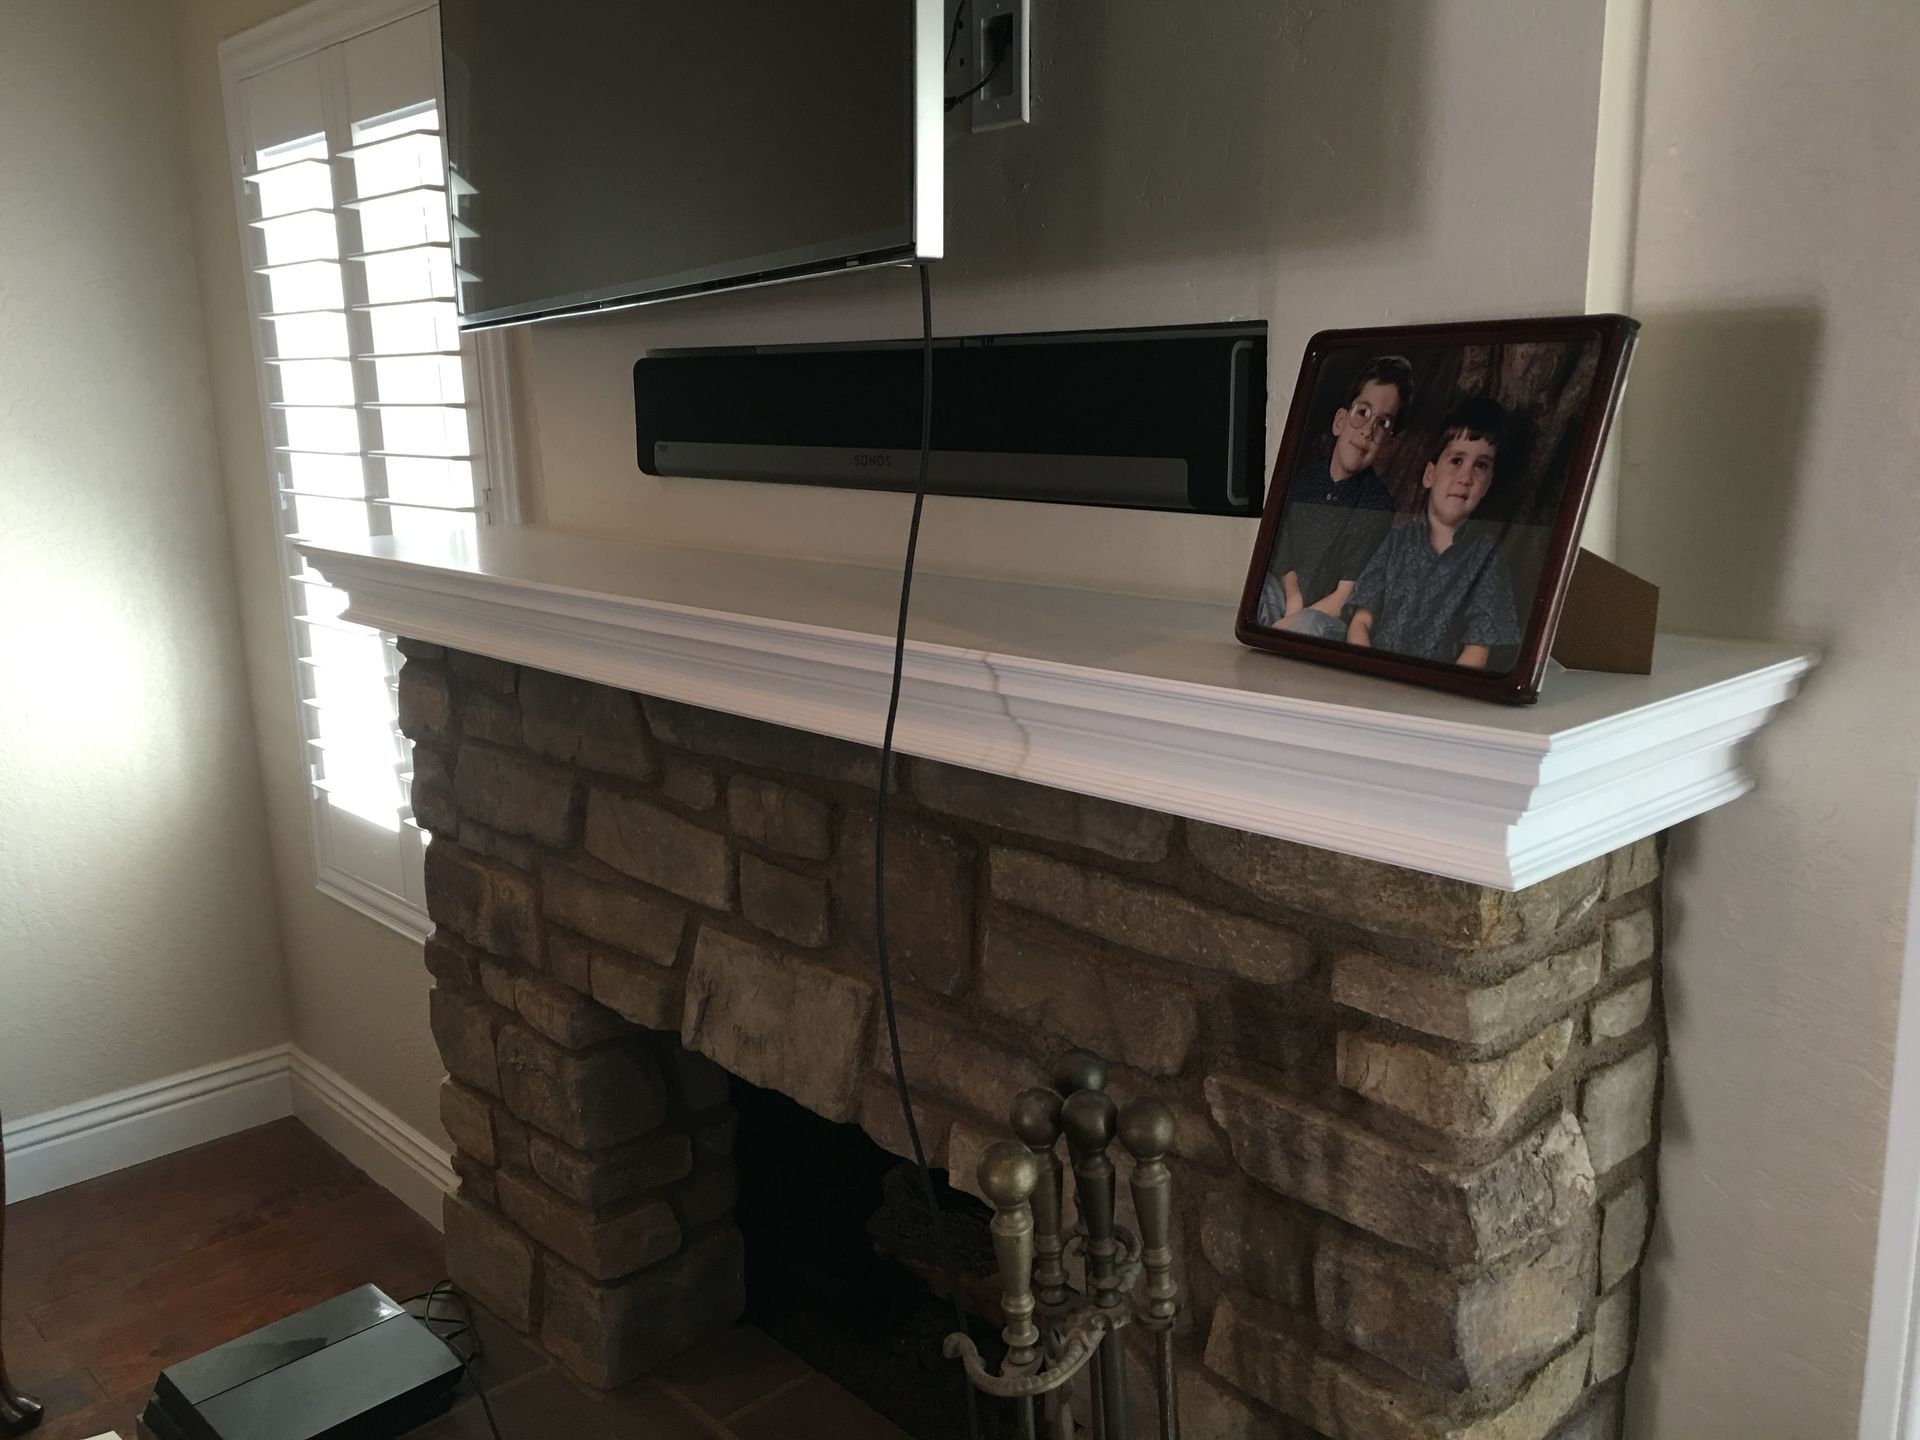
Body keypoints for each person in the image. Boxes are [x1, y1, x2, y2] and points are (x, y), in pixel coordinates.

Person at [1345, 396, 1522, 669]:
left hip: (1435, 690)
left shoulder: (1487, 561)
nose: (1466, 477)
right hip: (1373, 674)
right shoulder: (1397, 542)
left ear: (1488, 484)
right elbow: (1362, 619)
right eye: (1456, 461)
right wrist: (1366, 668)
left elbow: (1477, 651)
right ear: (1430, 475)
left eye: (1481, 465)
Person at [1255, 355, 1411, 636]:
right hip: (1291, 599)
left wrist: (1290, 624)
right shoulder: (1305, 481)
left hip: (1329, 616)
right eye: (1362, 412)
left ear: (1388, 443)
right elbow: (1284, 556)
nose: (1367, 430)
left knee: (1306, 625)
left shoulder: (1376, 503)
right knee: (1259, 592)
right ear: (1340, 421)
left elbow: (1345, 597)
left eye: (1383, 423)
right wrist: (1293, 602)